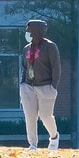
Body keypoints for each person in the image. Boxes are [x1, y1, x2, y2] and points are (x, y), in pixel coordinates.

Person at [19, 18, 61, 150]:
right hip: (28, 86)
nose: (27, 34)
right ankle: (32, 144)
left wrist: (53, 86)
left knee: (45, 115)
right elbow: (24, 67)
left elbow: (56, 67)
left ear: (36, 32)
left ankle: (54, 137)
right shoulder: (26, 49)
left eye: (29, 31)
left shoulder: (50, 47)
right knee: (30, 116)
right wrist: (22, 83)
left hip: (45, 86)